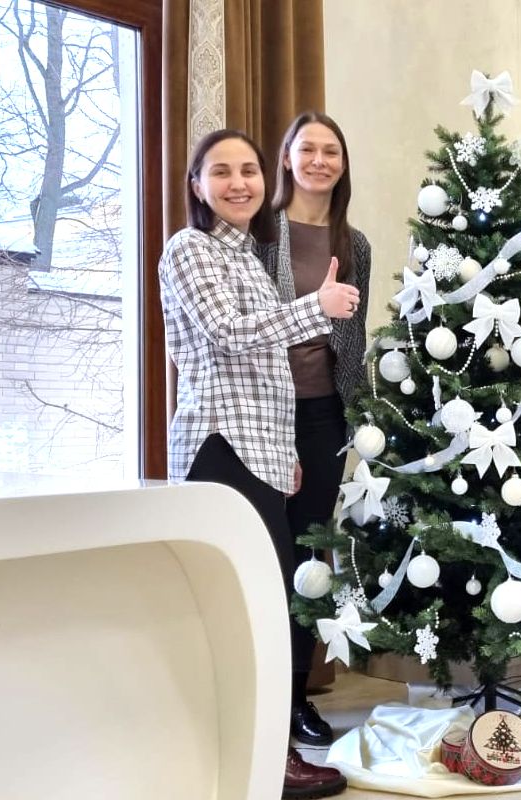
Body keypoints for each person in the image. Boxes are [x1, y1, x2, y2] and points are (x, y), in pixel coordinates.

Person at [158, 128, 358, 799]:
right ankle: (264, 763)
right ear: (197, 185)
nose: (238, 182)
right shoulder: (190, 249)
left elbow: (267, 367)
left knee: (270, 603)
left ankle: (264, 755)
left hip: (261, 450)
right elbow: (227, 335)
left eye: (246, 169)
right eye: (222, 171)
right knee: (251, 609)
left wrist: (283, 456)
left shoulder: (245, 257)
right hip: (220, 446)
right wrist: (317, 309)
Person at [257, 111, 371, 748]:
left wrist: (365, 420)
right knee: (266, 553)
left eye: (332, 150)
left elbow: (350, 341)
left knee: (309, 557)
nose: (320, 160)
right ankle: (263, 694)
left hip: (325, 413)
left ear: (343, 163)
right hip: (264, 411)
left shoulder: (354, 243)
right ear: (288, 160)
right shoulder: (257, 237)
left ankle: (298, 696)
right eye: (309, 150)